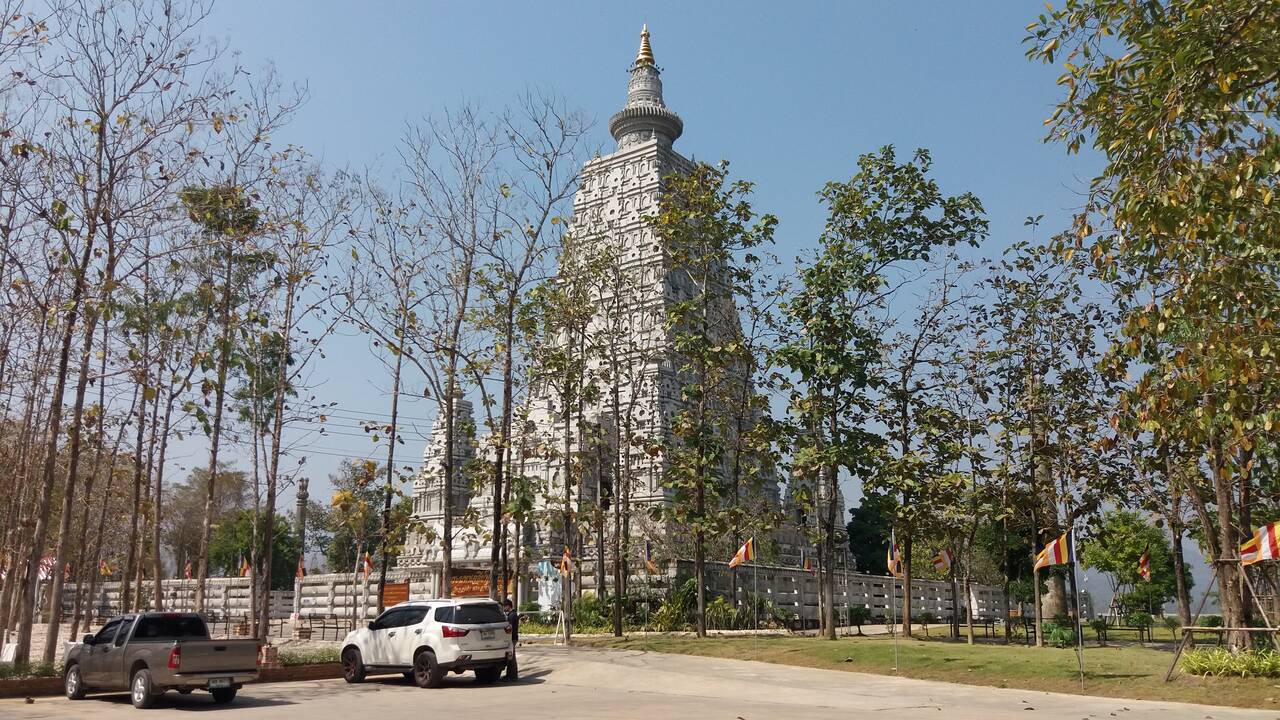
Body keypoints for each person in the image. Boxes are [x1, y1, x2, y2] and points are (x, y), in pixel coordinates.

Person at [502, 598, 519, 681]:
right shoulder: (512, 614)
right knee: (511, 657)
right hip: (513, 638)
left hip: (512, 638)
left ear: (508, 606)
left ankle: (512, 676)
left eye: (504, 607)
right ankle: (510, 675)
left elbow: (510, 627)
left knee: (511, 658)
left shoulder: (512, 615)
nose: (504, 609)